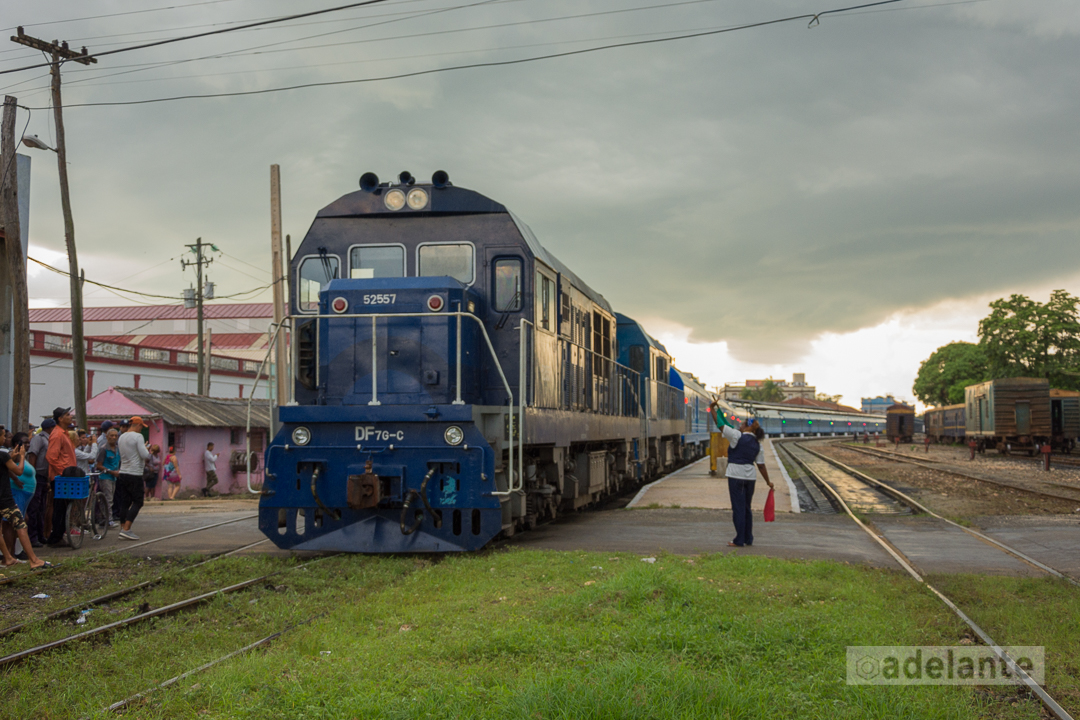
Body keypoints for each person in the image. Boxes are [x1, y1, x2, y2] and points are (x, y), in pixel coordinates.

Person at [709, 399, 774, 548]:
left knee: (738, 508)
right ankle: (748, 538)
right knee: (746, 508)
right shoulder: (758, 445)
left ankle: (739, 540)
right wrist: (768, 482)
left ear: (747, 427)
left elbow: (720, 424)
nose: (740, 425)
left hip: (736, 476)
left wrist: (712, 409)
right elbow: (762, 466)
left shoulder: (737, 436)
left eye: (743, 424)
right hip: (750, 478)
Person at [0, 437, 50, 570]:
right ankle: (34, 560)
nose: (4, 438)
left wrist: (10, 457)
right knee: (21, 525)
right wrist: (22, 457)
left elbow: (5, 468)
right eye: (2, 436)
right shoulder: (2, 455)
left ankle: (8, 558)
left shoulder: (4, 456)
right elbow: (19, 470)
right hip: (5, 499)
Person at [44, 407, 78, 547]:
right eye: (67, 414)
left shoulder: (64, 434)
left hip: (66, 476)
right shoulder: (57, 434)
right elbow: (51, 457)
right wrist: (63, 472)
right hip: (61, 477)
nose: (70, 416)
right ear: (60, 418)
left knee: (63, 507)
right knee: (60, 508)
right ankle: (55, 537)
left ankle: (57, 535)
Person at [116, 416, 150, 540]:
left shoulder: (122, 437)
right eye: (141, 426)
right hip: (134, 473)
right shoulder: (138, 437)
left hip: (123, 472)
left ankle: (122, 527)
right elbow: (144, 455)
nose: (141, 429)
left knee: (125, 502)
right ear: (137, 425)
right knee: (138, 501)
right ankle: (127, 529)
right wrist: (147, 449)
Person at [2, 433, 35, 560]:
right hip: (16, 492)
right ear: (17, 444)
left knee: (22, 520)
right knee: (13, 523)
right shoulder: (13, 456)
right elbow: (14, 469)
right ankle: (10, 555)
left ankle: (15, 552)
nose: (28, 444)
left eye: (28, 442)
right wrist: (15, 479)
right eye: (25, 442)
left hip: (23, 494)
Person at [25, 418, 54, 548]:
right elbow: (33, 455)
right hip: (37, 475)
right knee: (33, 508)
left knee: (42, 507)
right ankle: (32, 537)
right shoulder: (39, 438)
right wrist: (32, 474)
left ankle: (40, 535)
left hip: (44, 476)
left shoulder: (51, 439)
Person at [95, 428, 121, 528]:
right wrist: (111, 471)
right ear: (107, 436)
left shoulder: (117, 449)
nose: (113, 438)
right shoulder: (103, 449)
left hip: (114, 477)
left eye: (115, 436)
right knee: (108, 498)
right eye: (111, 435)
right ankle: (109, 520)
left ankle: (104, 518)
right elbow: (98, 465)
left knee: (110, 498)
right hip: (105, 476)